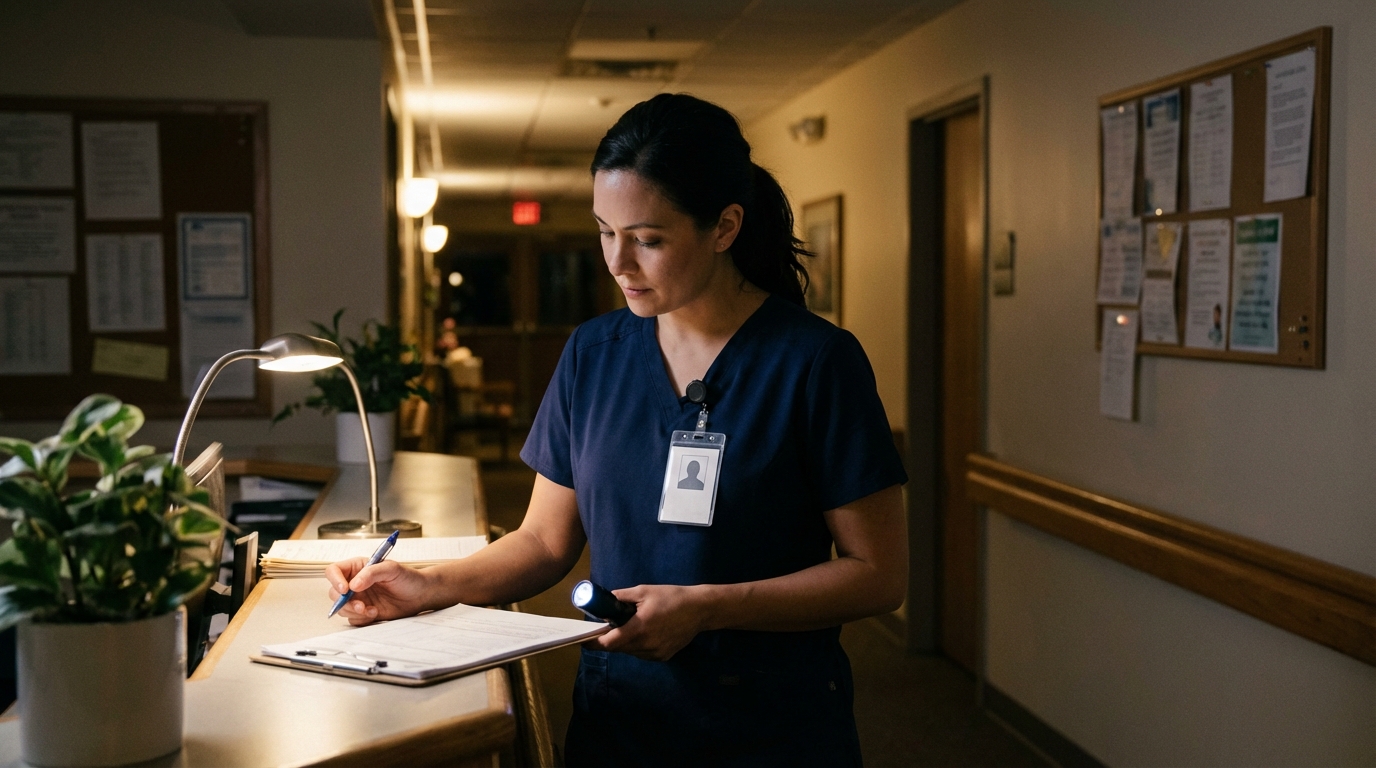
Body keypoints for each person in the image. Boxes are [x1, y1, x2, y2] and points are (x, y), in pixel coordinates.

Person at [326, 93, 908, 767]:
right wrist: (429, 583)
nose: (617, 263)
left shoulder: (814, 362)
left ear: (724, 227)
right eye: (606, 231)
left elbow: (877, 575)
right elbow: (544, 542)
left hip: (768, 723)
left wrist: (707, 607)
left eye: (648, 240)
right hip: (621, 717)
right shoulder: (593, 354)